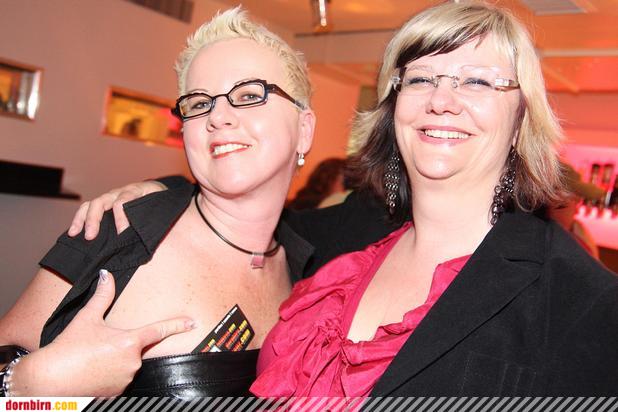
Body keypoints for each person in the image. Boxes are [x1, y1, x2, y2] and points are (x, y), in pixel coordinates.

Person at [52, 0, 618, 397]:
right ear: (393, 108)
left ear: (521, 117)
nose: (442, 100)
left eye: (477, 80)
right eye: (420, 78)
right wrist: (166, 194)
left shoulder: (583, 301)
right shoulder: (337, 241)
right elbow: (247, 214)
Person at [0, 7, 316, 397]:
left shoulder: (307, 266)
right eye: (199, 103)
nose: (217, 117)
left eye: (249, 95)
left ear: (304, 130)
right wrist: (34, 387)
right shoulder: (122, 231)